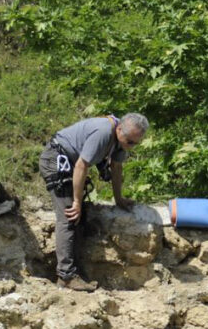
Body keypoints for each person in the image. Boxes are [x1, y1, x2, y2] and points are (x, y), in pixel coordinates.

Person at [38, 112, 147, 291]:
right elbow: (82, 165)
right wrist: (76, 202)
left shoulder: (121, 141)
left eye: (136, 143)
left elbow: (116, 167)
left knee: (80, 218)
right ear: (119, 129)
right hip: (56, 159)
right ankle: (66, 276)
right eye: (130, 142)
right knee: (69, 216)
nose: (131, 146)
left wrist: (119, 198)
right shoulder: (103, 133)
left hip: (72, 164)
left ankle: (74, 272)